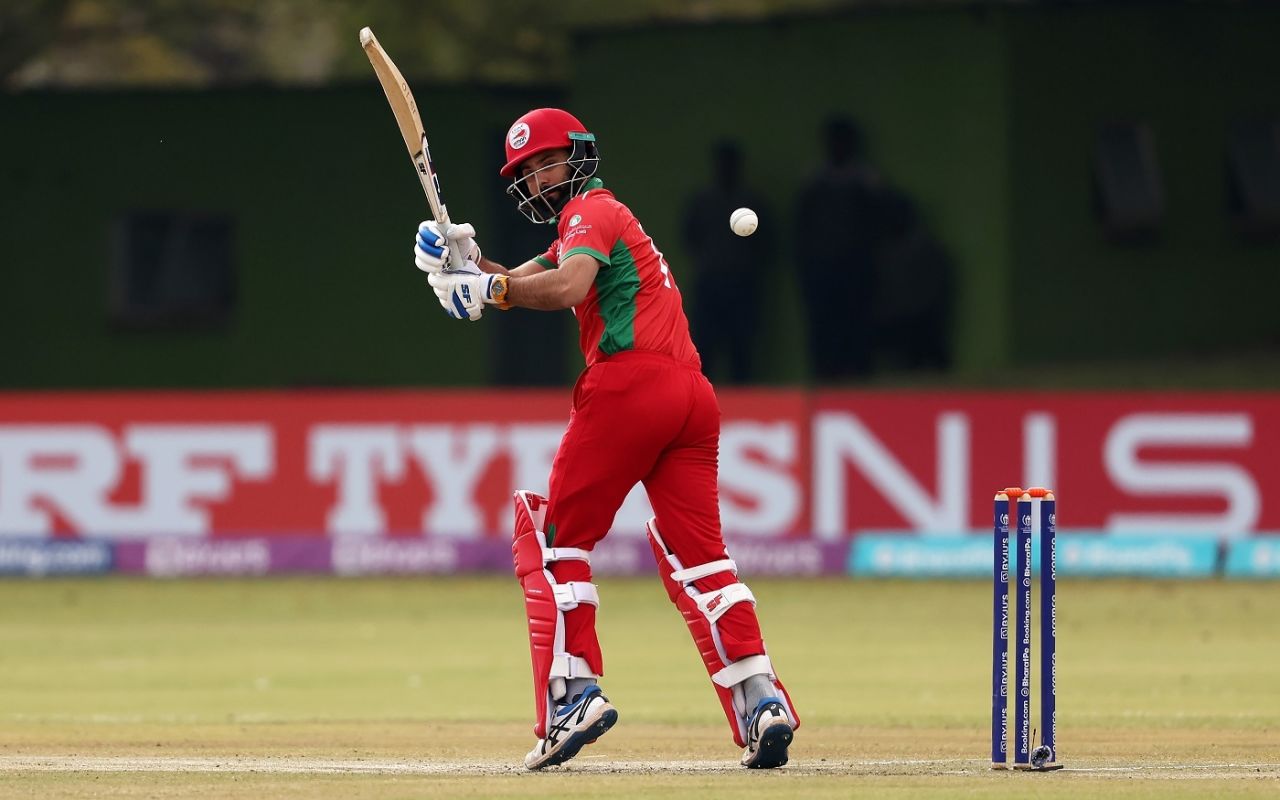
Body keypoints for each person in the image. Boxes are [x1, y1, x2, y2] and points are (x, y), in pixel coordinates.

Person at [411, 108, 799, 770]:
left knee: (553, 539)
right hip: (690, 398)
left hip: (630, 387)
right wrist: (467, 260)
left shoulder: (591, 210)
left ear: (579, 156)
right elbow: (528, 279)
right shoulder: (588, 224)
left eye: (544, 162)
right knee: (700, 558)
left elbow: (563, 288)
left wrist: (489, 290)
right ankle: (762, 701)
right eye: (526, 172)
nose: (536, 179)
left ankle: (573, 694)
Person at [795, 115, 885, 381]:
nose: (838, 147)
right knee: (823, 333)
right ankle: (823, 385)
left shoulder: (867, 183)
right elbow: (801, 232)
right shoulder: (814, 184)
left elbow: (879, 228)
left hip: (858, 272)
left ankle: (858, 387)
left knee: (857, 332)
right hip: (822, 273)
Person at [681, 141, 773, 384]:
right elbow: (690, 239)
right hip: (710, 285)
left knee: (741, 351)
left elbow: (766, 245)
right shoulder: (702, 202)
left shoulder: (752, 202)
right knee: (704, 350)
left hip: (743, 286)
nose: (726, 169)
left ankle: (742, 405)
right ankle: (701, 401)